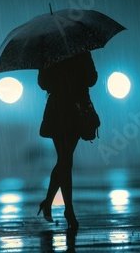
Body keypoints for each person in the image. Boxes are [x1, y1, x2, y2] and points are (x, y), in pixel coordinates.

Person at [37, 51, 98, 230]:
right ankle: (67, 210)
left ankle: (51, 203)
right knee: (65, 160)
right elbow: (92, 79)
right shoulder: (80, 49)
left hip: (57, 110)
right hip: (75, 109)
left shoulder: (48, 51)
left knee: (64, 160)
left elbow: (43, 83)